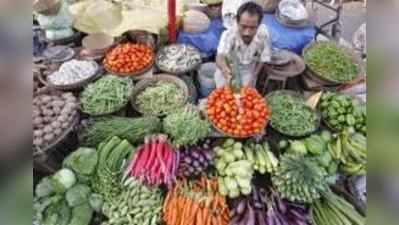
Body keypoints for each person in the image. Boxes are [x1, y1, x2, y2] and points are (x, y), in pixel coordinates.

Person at [215, 2, 272, 88]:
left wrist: (254, 75)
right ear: (237, 22)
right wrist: (225, 70)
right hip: (229, 68)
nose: (247, 33)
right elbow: (220, 57)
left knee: (245, 95)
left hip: (248, 71)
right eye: (243, 26)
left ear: (259, 25)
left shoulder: (263, 34)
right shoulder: (228, 34)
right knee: (224, 93)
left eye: (253, 28)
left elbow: (263, 57)